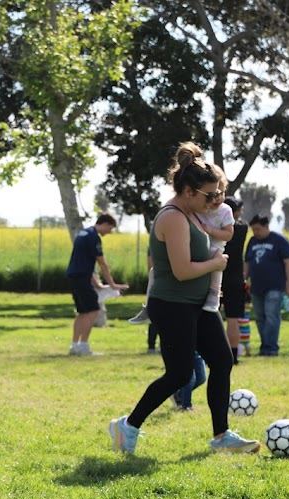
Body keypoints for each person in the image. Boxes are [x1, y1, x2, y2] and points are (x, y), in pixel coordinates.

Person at [109, 142, 260, 455]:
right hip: (172, 304)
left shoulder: (193, 214)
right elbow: (181, 270)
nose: (214, 200)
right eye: (209, 195)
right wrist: (216, 265)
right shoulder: (173, 217)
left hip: (197, 304)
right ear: (189, 191)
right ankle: (128, 425)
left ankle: (221, 436)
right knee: (179, 375)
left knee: (222, 360)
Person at [65, 213, 128, 355]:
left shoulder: (82, 233)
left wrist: (97, 285)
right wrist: (112, 284)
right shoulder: (94, 237)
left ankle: (75, 345)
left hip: (75, 276)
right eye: (110, 229)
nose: (109, 232)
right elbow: (102, 263)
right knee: (93, 310)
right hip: (81, 277)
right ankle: (84, 346)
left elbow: (85, 262)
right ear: (104, 224)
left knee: (82, 312)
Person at [244, 214, 289, 356]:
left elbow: (288, 263)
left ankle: (271, 348)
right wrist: (244, 280)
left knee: (272, 316)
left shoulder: (279, 241)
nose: (256, 232)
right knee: (260, 317)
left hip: (275, 287)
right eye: (253, 230)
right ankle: (265, 345)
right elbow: (247, 262)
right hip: (256, 287)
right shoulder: (252, 241)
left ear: (266, 227)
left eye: (258, 229)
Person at [196, 168, 235, 313]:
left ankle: (214, 297)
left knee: (218, 267)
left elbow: (228, 234)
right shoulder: (199, 208)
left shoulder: (225, 210)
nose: (218, 199)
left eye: (222, 194)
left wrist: (211, 231)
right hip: (198, 247)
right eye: (214, 195)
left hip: (215, 248)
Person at [221, 197, 248, 363]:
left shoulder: (215, 228)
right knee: (233, 320)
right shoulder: (242, 228)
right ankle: (233, 354)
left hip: (217, 274)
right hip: (236, 278)